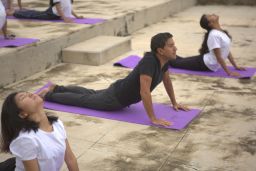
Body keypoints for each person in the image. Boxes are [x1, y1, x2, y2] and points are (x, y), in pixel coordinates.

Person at [38, 33, 190, 127]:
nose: (175, 48)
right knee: (83, 99)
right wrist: (153, 118)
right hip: (114, 100)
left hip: (117, 90)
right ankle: (48, 95)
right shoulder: (149, 62)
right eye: (171, 46)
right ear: (160, 51)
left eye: (174, 45)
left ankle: (56, 88)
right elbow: (144, 92)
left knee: (90, 93)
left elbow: (167, 82)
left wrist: (174, 102)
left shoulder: (164, 61)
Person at [0, 91, 79, 171]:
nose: (30, 94)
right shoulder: (26, 139)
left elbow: (70, 159)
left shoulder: (57, 124)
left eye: (27, 93)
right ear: (22, 114)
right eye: (23, 97)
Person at [169, 14, 245, 77]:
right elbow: (219, 57)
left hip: (206, 62)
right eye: (209, 16)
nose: (212, 14)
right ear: (210, 23)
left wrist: (235, 66)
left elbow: (227, 50)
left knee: (181, 60)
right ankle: (162, 56)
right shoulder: (214, 35)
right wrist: (229, 73)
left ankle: (167, 55)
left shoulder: (221, 32)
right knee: (176, 63)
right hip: (205, 64)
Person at [8, 0, 83, 23]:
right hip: (51, 14)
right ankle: (15, 13)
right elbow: (58, 8)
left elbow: (68, 7)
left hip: (56, 14)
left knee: (36, 13)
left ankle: (21, 11)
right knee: (34, 15)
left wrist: (77, 16)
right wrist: (65, 18)